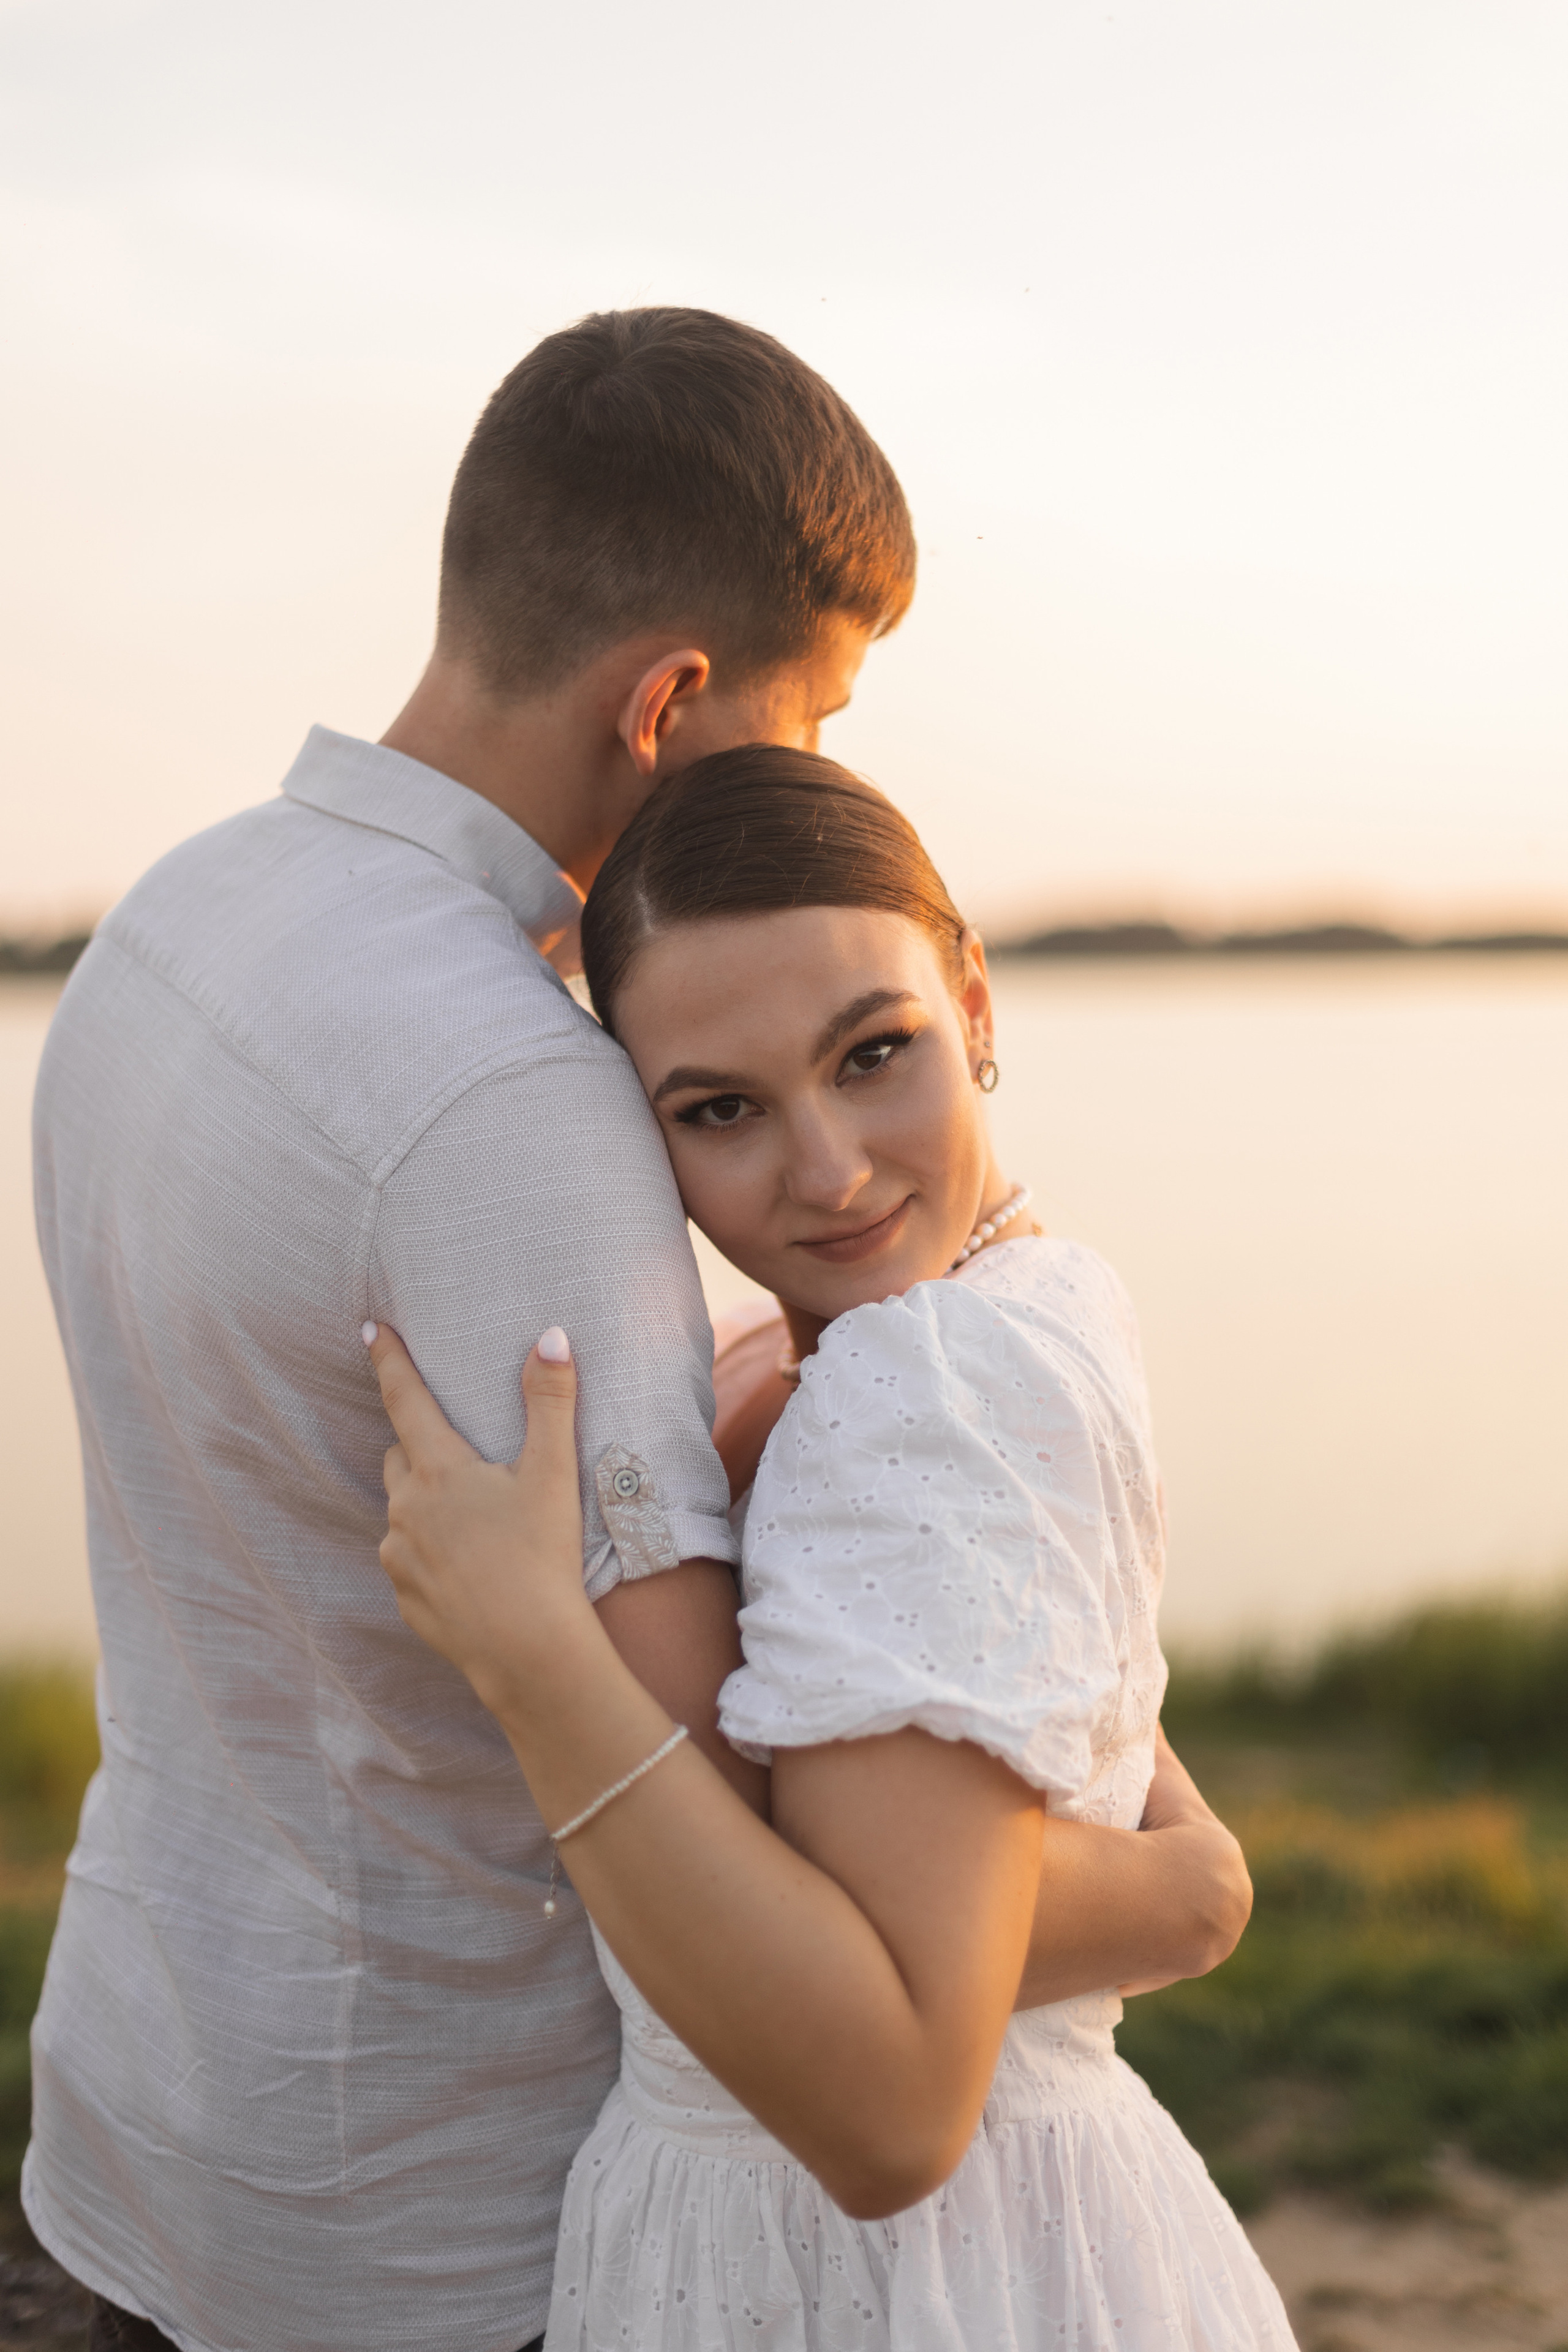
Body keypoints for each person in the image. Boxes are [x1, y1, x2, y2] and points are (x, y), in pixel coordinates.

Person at [29, 312, 1250, 2352]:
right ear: (676, 699)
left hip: (156, 2094)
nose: (827, 773)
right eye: (821, 713)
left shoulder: (173, 920)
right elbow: (783, 1850)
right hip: (442, 2210)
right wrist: (1170, 1880)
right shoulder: (515, 1095)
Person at [364, 748, 1297, 2350]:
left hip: (899, 2277)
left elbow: (886, 2116)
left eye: (876, 1054)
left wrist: (530, 1655)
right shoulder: (1016, 1300)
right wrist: (1179, 1884)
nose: (828, 1172)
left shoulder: (918, 1386)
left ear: (978, 1006)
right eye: (720, 1112)